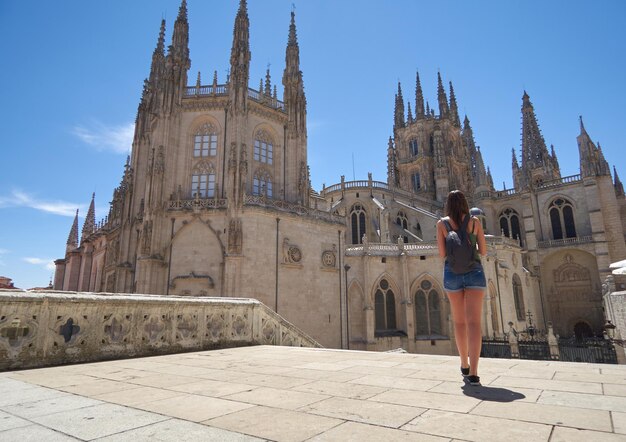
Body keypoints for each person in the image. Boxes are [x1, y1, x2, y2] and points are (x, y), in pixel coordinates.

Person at [436, 190, 487, 386]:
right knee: (474, 323)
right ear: (465, 203)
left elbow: (442, 254)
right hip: (474, 272)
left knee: (459, 322)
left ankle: (464, 364)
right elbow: (482, 250)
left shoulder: (442, 224)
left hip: (452, 274)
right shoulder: (475, 221)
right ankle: (474, 373)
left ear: (448, 204)